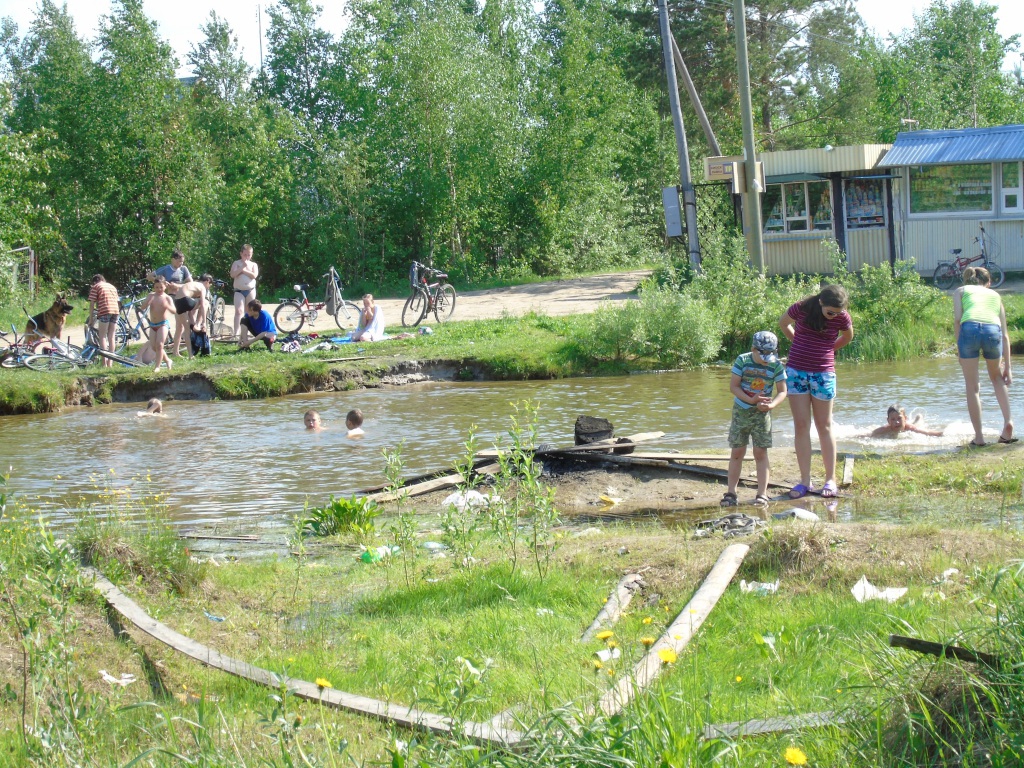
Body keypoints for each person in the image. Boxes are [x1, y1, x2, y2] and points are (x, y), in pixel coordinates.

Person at [779, 284, 854, 499]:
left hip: (823, 374)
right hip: (796, 372)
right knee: (801, 425)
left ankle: (830, 479)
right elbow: (783, 323)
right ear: (821, 302)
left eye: (838, 313)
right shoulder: (801, 308)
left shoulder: (842, 317)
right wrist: (798, 341)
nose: (834, 317)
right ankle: (805, 481)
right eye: (831, 312)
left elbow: (848, 337)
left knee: (825, 425)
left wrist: (829, 349)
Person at [721, 331, 788, 508]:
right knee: (737, 452)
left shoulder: (776, 366)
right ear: (753, 349)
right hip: (741, 412)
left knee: (760, 453)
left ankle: (762, 494)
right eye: (763, 355)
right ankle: (731, 493)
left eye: (770, 355)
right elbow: (733, 386)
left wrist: (771, 405)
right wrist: (751, 400)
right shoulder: (742, 360)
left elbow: (782, 391)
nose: (767, 359)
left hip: (762, 415)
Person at [953, 266, 1014, 446]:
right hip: (992, 331)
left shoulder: (961, 291)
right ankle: (1008, 421)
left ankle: (979, 438)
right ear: (988, 283)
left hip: (969, 328)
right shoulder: (995, 296)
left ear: (967, 280)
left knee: (972, 386)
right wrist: (1008, 368)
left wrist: (960, 349)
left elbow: (958, 320)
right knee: (997, 377)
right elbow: (1005, 335)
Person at [148, 250, 193, 357]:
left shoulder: (183, 269)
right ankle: (191, 354)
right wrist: (162, 283)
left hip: (182, 296)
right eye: (179, 262)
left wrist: (178, 286)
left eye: (182, 262)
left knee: (180, 327)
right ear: (173, 259)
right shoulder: (166, 269)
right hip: (172, 298)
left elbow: (191, 283)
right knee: (186, 325)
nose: (181, 264)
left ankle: (175, 352)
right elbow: (149, 277)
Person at [139, 277, 175, 372]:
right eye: (157, 287)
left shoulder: (167, 298)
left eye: (161, 287)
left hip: (163, 324)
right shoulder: (151, 295)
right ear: (154, 287)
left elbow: (174, 311)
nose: (159, 289)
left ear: (165, 286)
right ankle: (168, 360)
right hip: (153, 325)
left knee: (159, 345)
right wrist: (147, 302)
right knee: (154, 347)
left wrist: (167, 306)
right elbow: (142, 307)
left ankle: (157, 366)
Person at [87, 274, 119, 369]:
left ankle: (104, 363)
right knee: (111, 337)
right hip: (116, 311)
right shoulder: (112, 286)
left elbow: (92, 304)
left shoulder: (96, 287)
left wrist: (91, 320)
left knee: (102, 337)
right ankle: (110, 363)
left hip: (105, 311)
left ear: (94, 282)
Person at [230, 244, 259, 338]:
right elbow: (233, 274)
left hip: (250, 290)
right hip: (239, 291)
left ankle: (249, 331)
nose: (247, 257)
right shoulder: (236, 263)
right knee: (239, 311)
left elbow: (254, 275)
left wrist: (244, 271)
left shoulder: (253, 264)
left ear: (251, 255)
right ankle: (236, 333)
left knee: (250, 311)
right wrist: (242, 267)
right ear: (241, 254)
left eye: (249, 255)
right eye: (245, 254)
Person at [871, 405, 943, 438]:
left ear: (905, 418)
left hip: (909, 426)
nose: (897, 422)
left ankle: (918, 418)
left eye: (899, 418)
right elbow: (869, 435)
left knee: (917, 424)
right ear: (888, 421)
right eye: (893, 419)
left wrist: (942, 433)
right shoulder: (885, 429)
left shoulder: (911, 428)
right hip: (906, 424)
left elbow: (928, 432)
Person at [189, 275, 214, 357]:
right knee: (205, 303)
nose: (209, 286)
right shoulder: (202, 287)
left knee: (196, 307)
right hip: (196, 305)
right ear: (207, 281)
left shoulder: (193, 284)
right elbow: (203, 304)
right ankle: (197, 324)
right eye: (210, 284)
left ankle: (194, 325)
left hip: (189, 305)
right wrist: (204, 322)